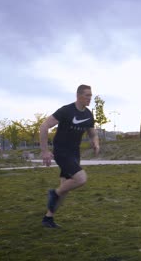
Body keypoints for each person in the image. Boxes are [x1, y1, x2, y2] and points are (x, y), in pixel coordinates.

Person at [39, 84, 100, 228]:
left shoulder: (88, 114)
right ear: (79, 96)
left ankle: (48, 219)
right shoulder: (66, 110)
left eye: (91, 95)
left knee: (65, 190)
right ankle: (54, 193)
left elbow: (92, 132)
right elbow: (44, 126)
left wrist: (96, 142)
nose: (90, 98)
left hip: (74, 153)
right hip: (62, 152)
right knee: (81, 178)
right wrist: (45, 151)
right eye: (87, 95)